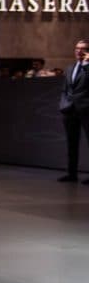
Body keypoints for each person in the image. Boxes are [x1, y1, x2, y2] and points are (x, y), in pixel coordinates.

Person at [58, 39, 89, 184]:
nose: (79, 51)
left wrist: (86, 65)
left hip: (86, 110)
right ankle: (72, 174)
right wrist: (63, 103)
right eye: (77, 48)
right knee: (71, 143)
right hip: (69, 110)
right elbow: (65, 88)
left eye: (83, 49)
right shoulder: (70, 68)